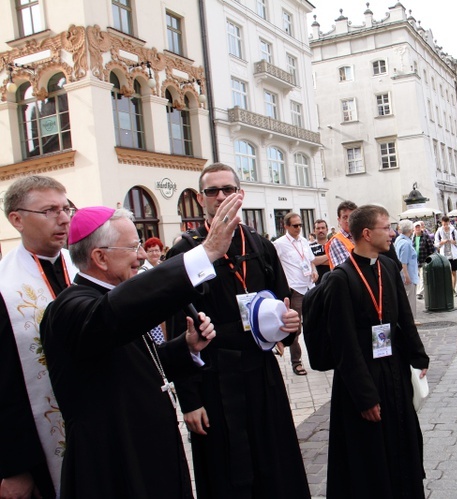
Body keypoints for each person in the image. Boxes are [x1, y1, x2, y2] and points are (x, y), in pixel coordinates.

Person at [40, 203, 237, 498]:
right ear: (100, 257)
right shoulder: (70, 307)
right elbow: (111, 316)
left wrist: (185, 347)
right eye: (133, 247)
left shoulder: (112, 299)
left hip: (148, 451)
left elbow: (135, 369)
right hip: (114, 464)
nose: (143, 256)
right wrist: (204, 254)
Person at [167, 163, 309, 498]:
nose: (220, 197)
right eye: (212, 191)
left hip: (261, 374)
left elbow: (283, 307)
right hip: (214, 380)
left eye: (227, 190)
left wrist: (290, 327)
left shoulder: (261, 246)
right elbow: (177, 333)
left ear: (239, 195)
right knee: (227, 471)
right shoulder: (185, 251)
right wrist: (189, 400)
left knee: (273, 463)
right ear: (202, 200)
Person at [324, 205, 429, 498]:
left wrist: (418, 355)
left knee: (402, 444)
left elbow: (403, 318)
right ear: (367, 234)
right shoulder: (340, 280)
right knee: (369, 457)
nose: (393, 232)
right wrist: (365, 396)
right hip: (362, 380)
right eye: (387, 227)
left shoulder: (388, 267)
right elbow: (343, 345)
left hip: (393, 370)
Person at [0, 176, 75, 499]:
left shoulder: (81, 266)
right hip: (37, 447)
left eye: (65, 208)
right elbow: (3, 384)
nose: (63, 218)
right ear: (16, 219)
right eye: (49, 211)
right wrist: (14, 467)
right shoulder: (4, 289)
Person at [273, 212, 318, 376]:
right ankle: (296, 362)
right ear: (286, 226)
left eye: (300, 225)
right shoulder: (279, 244)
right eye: (295, 225)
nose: (299, 228)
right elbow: (273, 266)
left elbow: (310, 261)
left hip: (310, 287)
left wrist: (313, 271)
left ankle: (318, 356)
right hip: (295, 290)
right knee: (296, 329)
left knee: (314, 324)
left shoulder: (304, 241)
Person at [395, 219, 419, 323]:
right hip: (408, 274)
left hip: (406, 273)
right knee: (410, 298)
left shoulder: (399, 240)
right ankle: (411, 320)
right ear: (410, 230)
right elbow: (403, 261)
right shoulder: (405, 244)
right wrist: (406, 275)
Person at [325, 200, 357, 268]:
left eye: (352, 217)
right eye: (345, 217)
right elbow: (348, 269)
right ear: (339, 220)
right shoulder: (337, 241)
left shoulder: (361, 236)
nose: (348, 220)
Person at [434, 216, 457, 296]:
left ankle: (453, 289)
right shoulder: (439, 231)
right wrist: (442, 242)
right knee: (447, 273)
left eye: (447, 224)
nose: (445, 226)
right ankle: (449, 289)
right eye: (444, 224)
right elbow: (436, 244)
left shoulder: (453, 231)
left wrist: (453, 242)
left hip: (453, 255)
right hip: (444, 255)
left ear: (449, 223)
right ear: (442, 223)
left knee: (454, 272)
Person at [412, 221, 434, 300]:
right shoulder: (413, 237)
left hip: (424, 259)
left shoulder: (425, 236)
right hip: (415, 261)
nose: (417, 228)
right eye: (416, 227)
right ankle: (420, 291)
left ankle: (419, 293)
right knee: (417, 277)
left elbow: (431, 248)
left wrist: (430, 258)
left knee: (422, 276)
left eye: (418, 227)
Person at [309, 218, 330, 283]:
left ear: (327, 230)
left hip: (332, 281)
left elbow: (336, 262)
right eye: (318, 228)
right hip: (316, 283)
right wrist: (329, 255)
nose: (321, 230)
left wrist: (316, 260)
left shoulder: (334, 244)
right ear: (314, 231)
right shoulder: (309, 247)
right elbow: (310, 262)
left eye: (323, 228)